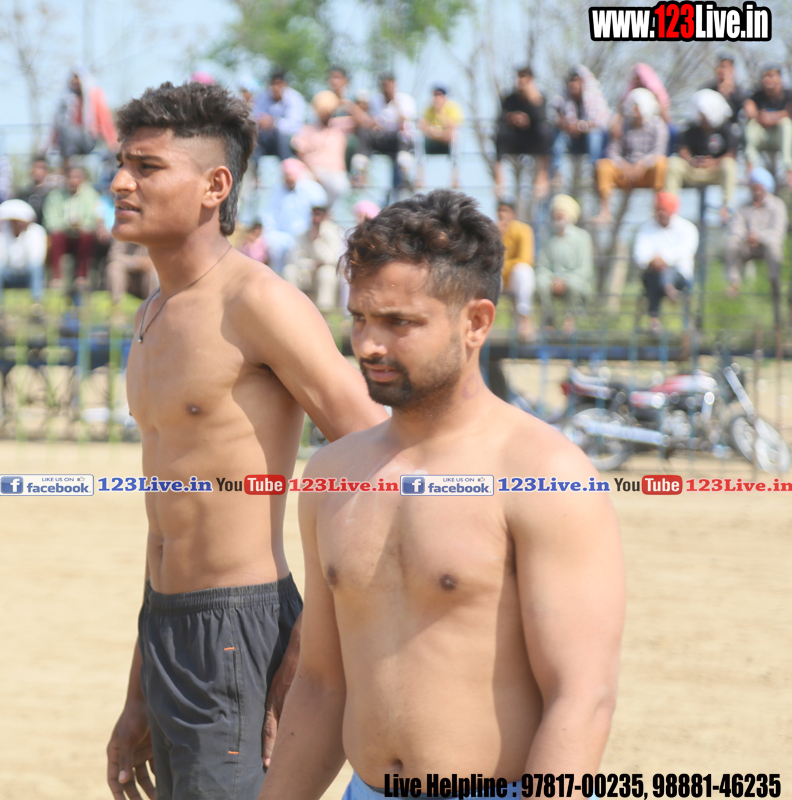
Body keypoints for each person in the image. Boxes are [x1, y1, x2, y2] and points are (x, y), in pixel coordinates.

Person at [256, 188, 624, 800]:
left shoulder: (546, 474)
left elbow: (581, 699)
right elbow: (322, 685)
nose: (368, 345)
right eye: (360, 318)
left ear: (476, 322)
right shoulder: (333, 474)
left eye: (400, 323)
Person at [105, 80, 388, 800]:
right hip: (166, 625)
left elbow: (379, 458)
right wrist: (139, 688)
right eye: (121, 164)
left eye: (146, 167)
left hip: (239, 625)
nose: (120, 183)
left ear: (215, 187)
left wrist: (315, 637)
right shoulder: (152, 315)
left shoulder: (257, 301)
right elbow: (165, 519)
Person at [594, 88, 668, 225]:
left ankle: (657, 209)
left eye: (637, 108)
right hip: (625, 172)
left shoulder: (658, 125)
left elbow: (659, 151)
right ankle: (605, 211)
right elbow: (612, 152)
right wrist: (624, 165)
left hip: (646, 172)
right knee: (603, 165)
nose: (634, 112)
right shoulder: (622, 125)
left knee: (661, 163)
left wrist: (643, 164)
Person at [725, 169, 788, 325]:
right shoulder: (743, 207)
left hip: (767, 245)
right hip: (748, 245)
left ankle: (774, 282)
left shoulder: (778, 205)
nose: (755, 189)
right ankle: (734, 282)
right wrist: (747, 237)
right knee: (732, 243)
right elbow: (736, 228)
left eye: (758, 185)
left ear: (765, 186)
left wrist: (759, 237)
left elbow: (778, 232)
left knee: (774, 248)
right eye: (753, 186)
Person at [665, 89, 738, 221]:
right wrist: (691, 160)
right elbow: (682, 149)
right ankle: (670, 209)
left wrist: (714, 162)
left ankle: (726, 207)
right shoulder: (691, 128)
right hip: (693, 170)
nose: (704, 118)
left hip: (715, 172)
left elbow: (731, 153)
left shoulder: (726, 129)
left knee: (729, 165)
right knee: (673, 163)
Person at [634, 191, 698, 333]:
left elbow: (684, 251)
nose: (661, 213)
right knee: (655, 275)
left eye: (665, 209)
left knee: (665, 273)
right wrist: (655, 261)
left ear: (673, 210)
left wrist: (663, 259)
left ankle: (654, 319)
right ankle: (669, 290)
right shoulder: (646, 229)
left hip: (680, 277)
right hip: (653, 275)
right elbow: (640, 256)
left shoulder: (687, 228)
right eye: (659, 209)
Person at [536, 194, 595, 332]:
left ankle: (570, 320)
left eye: (561, 215)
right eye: (555, 215)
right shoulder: (547, 237)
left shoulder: (582, 237)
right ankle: (548, 319)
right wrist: (553, 279)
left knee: (574, 285)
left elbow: (585, 268)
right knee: (540, 282)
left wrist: (565, 280)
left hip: (574, 279)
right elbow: (542, 266)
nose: (558, 218)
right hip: (552, 279)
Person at [262, 158, 328, 280]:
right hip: (282, 235)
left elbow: (320, 214)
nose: (289, 178)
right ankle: (275, 279)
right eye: (286, 175)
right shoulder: (276, 190)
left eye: (291, 175)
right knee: (271, 244)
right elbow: (269, 217)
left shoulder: (312, 189)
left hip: (306, 235)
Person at [356, 73, 416, 201]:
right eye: (385, 86)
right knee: (364, 133)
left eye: (390, 86)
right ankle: (360, 171)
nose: (387, 89)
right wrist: (374, 125)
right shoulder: (375, 101)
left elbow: (404, 123)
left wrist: (395, 103)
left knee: (403, 136)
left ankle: (405, 174)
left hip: (399, 140)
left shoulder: (406, 100)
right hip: (382, 139)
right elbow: (369, 121)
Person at [550, 66, 610, 193]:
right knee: (558, 135)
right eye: (571, 81)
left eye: (576, 80)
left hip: (589, 139)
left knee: (595, 135)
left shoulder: (595, 98)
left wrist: (580, 126)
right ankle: (557, 173)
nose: (573, 84)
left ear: (583, 82)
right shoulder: (563, 99)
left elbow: (600, 122)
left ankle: (595, 173)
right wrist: (565, 125)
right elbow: (552, 116)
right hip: (571, 139)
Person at [494, 66, 551, 199]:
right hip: (514, 139)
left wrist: (534, 101)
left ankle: (542, 176)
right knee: (499, 133)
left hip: (532, 141)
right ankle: (499, 178)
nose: (521, 81)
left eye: (525, 78)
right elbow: (500, 118)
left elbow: (541, 119)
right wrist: (513, 118)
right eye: (519, 77)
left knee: (545, 131)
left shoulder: (539, 99)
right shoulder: (509, 99)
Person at [43, 165, 101, 290]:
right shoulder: (55, 196)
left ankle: (82, 276)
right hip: (63, 235)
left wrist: (80, 225)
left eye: (77, 177)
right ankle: (57, 277)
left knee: (87, 236)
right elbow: (50, 220)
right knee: (55, 236)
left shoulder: (91, 195)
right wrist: (67, 226)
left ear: (83, 179)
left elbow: (93, 218)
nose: (73, 181)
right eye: (70, 177)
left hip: (82, 234)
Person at [292, 91, 352, 209]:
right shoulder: (308, 129)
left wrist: (346, 104)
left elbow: (364, 122)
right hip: (312, 172)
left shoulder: (339, 128)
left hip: (335, 173)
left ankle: (330, 215)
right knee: (301, 185)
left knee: (342, 188)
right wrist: (313, 173)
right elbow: (300, 153)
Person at [0, 199, 47, 310]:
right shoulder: (0, 232)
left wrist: (25, 235)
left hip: (26, 273)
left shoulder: (37, 232)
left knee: (36, 267)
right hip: (8, 273)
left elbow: (37, 259)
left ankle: (37, 303)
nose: (16, 223)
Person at [52, 67, 119, 160]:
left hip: (89, 139)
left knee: (67, 131)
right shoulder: (67, 99)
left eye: (77, 78)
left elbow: (105, 120)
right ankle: (66, 161)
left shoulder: (93, 95)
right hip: (72, 140)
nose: (74, 81)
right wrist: (49, 148)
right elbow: (57, 124)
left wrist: (113, 144)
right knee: (65, 129)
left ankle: (68, 161)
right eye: (72, 79)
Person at [288, 206, 346, 310]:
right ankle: (290, 307)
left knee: (326, 273)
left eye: (319, 215)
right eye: (314, 215)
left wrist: (318, 241)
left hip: (327, 269)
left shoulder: (335, 233)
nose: (316, 219)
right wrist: (312, 264)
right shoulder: (304, 233)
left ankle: (324, 310)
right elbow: (295, 257)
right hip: (307, 270)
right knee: (290, 270)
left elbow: (332, 259)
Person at [743, 65, 792, 183]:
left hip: (780, 137)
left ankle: (789, 171)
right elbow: (749, 110)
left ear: (779, 78)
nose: (767, 79)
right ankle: (750, 169)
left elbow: (789, 112)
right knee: (751, 125)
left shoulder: (788, 94)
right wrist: (761, 117)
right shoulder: (757, 95)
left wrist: (773, 117)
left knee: (786, 125)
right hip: (763, 136)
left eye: (771, 76)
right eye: (764, 76)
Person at [497, 200, 536, 339]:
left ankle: (525, 319)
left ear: (513, 214)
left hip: (513, 279)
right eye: (499, 210)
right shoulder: (492, 230)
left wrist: (504, 266)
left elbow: (526, 259)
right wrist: (496, 236)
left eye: (505, 211)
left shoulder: (524, 230)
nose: (501, 214)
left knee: (523, 271)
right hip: (498, 278)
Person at [253, 70, 306, 163]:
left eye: (278, 84)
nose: (275, 87)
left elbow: (295, 125)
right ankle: (254, 167)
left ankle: (287, 165)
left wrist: (274, 122)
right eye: (273, 84)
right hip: (265, 136)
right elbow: (256, 116)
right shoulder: (262, 96)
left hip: (288, 140)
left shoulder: (294, 98)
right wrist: (261, 121)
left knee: (280, 136)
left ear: (285, 85)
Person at [416, 86, 463, 190]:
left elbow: (452, 128)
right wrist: (437, 133)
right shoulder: (428, 109)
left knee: (456, 138)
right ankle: (420, 178)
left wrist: (441, 113)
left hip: (447, 142)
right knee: (418, 139)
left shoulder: (453, 108)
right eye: (435, 95)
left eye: (439, 95)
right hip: (432, 141)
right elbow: (422, 126)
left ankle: (455, 179)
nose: (437, 98)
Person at [107, 239, 157, 316]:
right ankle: (117, 307)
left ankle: (154, 308)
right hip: (128, 276)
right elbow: (114, 256)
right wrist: (138, 262)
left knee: (154, 271)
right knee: (114, 267)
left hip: (146, 277)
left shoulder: (153, 234)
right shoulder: (121, 234)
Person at [18, 156, 60, 224]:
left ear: (47, 171)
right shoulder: (23, 194)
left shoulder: (51, 196)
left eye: (41, 168)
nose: (37, 170)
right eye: (35, 167)